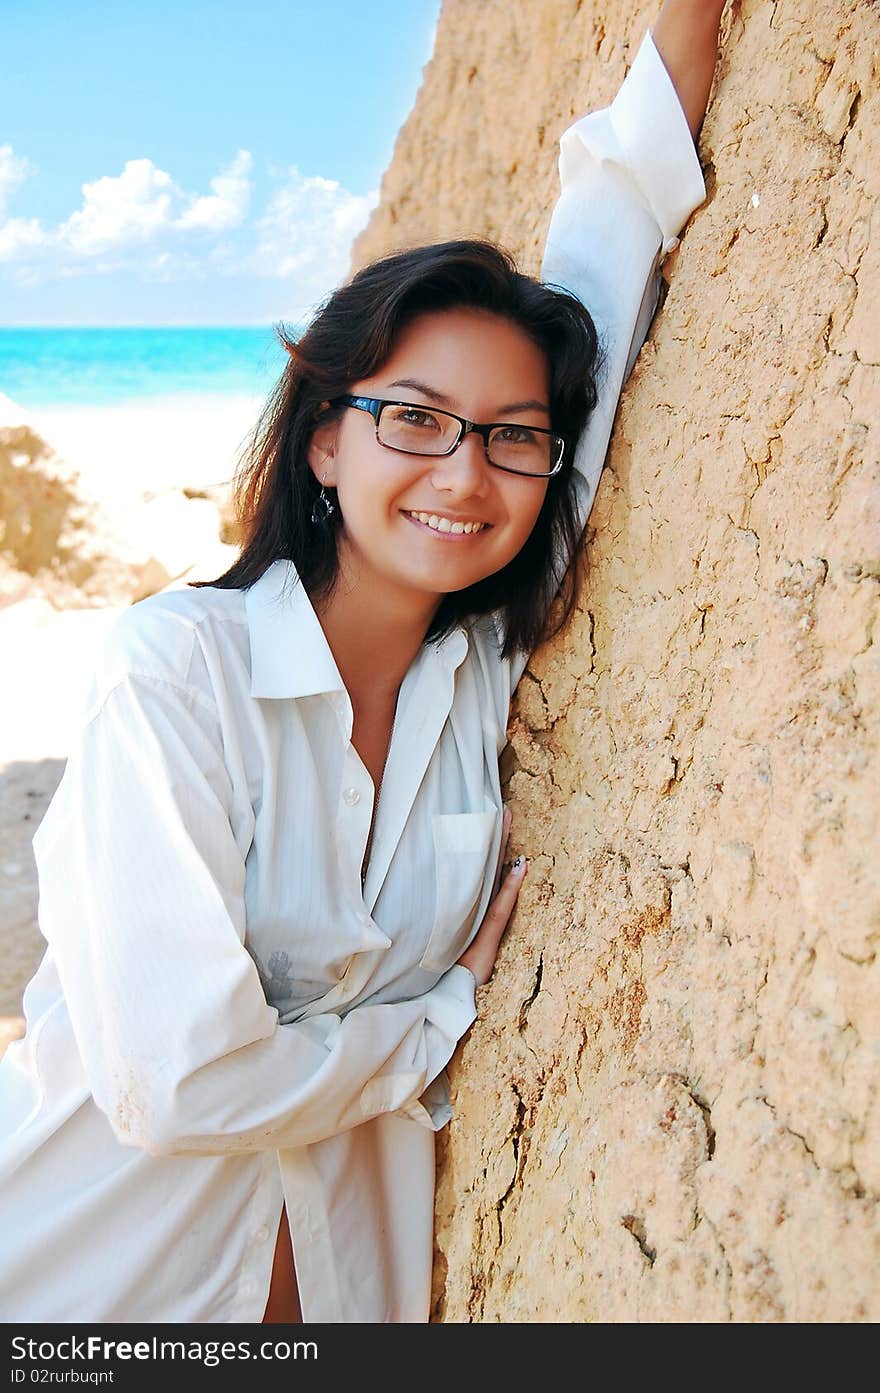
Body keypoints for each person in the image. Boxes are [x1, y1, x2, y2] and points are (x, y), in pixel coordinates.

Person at [0, 0, 728, 1324]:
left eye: (512, 436)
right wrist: (431, 1019)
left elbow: (605, 274)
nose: (466, 472)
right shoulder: (176, 677)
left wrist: (691, 39)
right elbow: (175, 1080)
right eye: (415, 419)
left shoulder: (482, 675)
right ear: (325, 441)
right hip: (75, 1293)